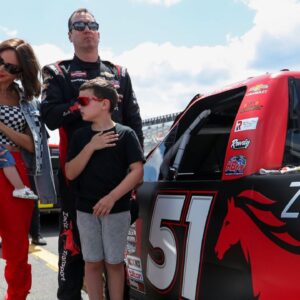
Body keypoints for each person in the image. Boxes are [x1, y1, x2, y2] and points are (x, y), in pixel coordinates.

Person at [41, 7, 143, 300]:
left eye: (92, 24)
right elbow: (50, 116)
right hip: (78, 182)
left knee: (115, 258)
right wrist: (85, 101)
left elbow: (134, 122)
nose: (87, 29)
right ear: (70, 35)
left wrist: (137, 174)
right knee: (74, 255)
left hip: (118, 183)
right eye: (79, 25)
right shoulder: (57, 72)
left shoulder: (119, 73)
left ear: (99, 32)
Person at [65, 78, 144, 300]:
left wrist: (111, 198)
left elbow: (137, 172)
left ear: (104, 104)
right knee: (92, 262)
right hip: (85, 210)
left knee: (114, 263)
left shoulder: (126, 134)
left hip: (117, 209)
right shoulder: (81, 137)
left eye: (83, 100)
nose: (78, 106)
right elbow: (70, 172)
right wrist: (91, 147)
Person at [0, 38, 56, 300]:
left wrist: (2, 128)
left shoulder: (25, 102)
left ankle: (17, 296)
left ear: (21, 73)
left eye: (11, 68)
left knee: (17, 248)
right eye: (0, 62)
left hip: (15, 174)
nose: (3, 69)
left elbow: (33, 144)